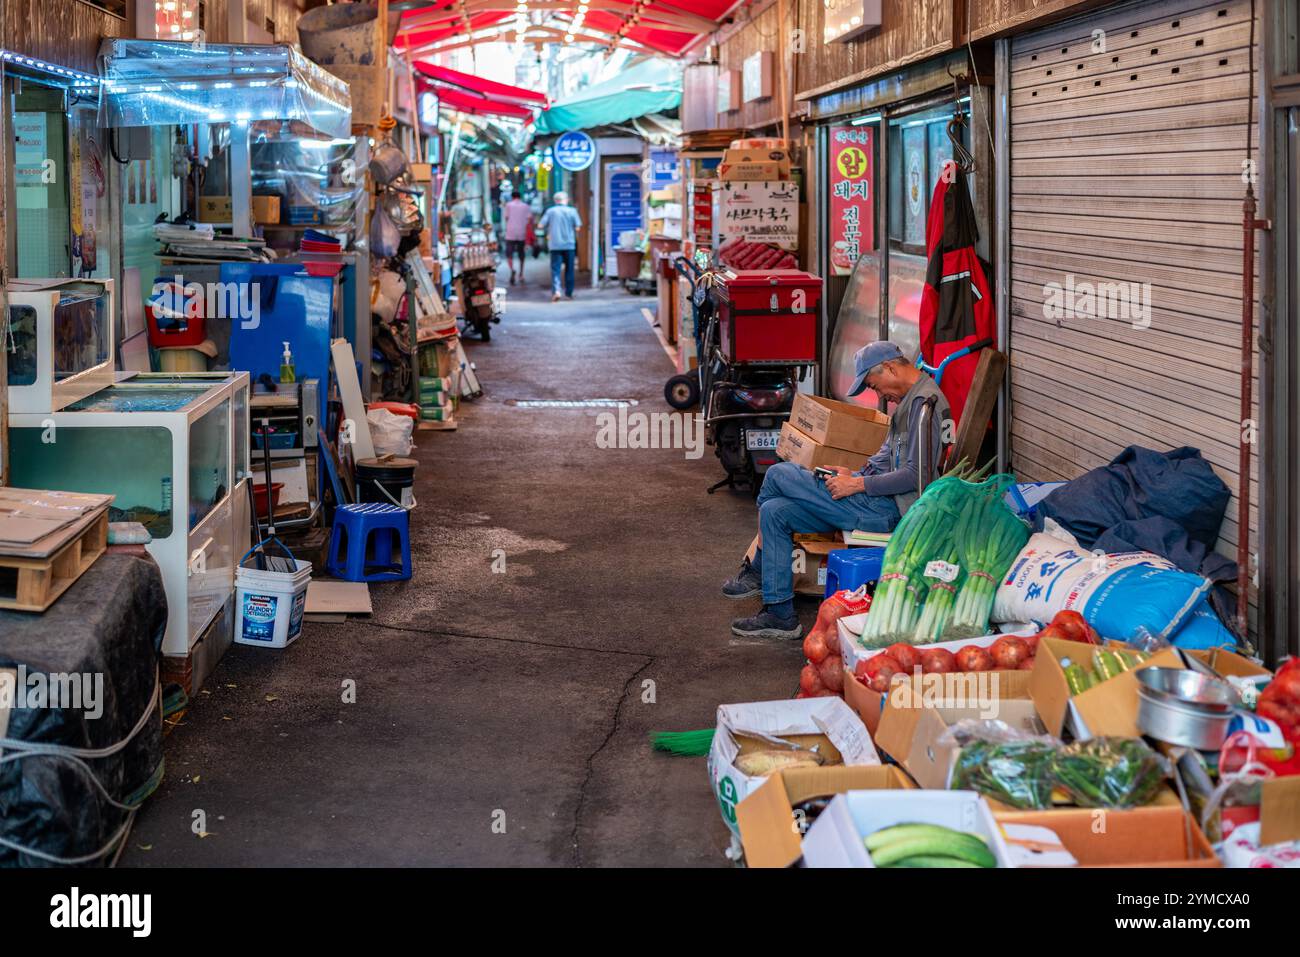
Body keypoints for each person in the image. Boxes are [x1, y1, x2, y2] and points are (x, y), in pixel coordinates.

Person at [722, 341, 952, 639]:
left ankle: (757, 568)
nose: (879, 394)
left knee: (779, 474)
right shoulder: (909, 402)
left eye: (874, 385)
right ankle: (779, 614)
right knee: (774, 511)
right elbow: (886, 459)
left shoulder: (924, 404)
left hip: (889, 510)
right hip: (872, 500)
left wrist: (857, 484)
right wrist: (854, 474)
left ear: (891, 368)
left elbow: (916, 476)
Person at [537, 191, 582, 302]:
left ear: (555, 200)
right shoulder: (572, 211)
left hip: (555, 245)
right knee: (569, 269)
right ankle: (569, 293)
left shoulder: (550, 211)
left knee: (555, 269)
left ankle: (556, 291)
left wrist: (550, 230)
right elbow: (578, 227)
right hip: (569, 244)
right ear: (566, 200)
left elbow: (540, 225)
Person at [503, 193, 533, 286]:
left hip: (510, 233)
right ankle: (521, 274)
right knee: (521, 254)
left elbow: (506, 218)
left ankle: (512, 269)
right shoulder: (526, 206)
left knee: (509, 254)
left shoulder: (508, 205)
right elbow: (529, 219)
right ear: (520, 197)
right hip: (522, 233)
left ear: (512, 197)